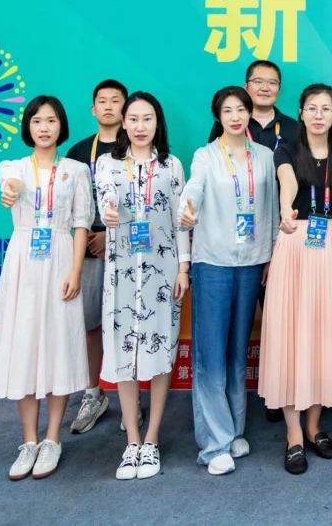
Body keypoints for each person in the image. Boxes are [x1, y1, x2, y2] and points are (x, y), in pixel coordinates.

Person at [0, 96, 91, 480]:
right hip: (23, 265)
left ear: (62, 126)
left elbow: (82, 222)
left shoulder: (76, 170)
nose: (44, 128)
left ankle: (52, 439)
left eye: (50, 121)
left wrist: (76, 270)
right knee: (25, 346)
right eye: (36, 121)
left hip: (61, 260)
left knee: (58, 345)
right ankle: (28, 440)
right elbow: (8, 187)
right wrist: (10, 191)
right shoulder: (14, 167)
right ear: (27, 127)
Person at [260, 84, 332, 475]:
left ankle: (314, 425)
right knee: (291, 335)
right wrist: (286, 207)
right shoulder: (287, 148)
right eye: (312, 108)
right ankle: (293, 435)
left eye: (326, 109)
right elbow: (286, 179)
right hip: (295, 242)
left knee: (323, 336)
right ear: (300, 112)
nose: (319, 115)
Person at [180, 86, 279, 476]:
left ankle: (234, 429)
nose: (235, 116)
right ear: (218, 116)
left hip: (253, 262)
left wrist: (271, 253)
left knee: (238, 352)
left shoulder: (265, 156)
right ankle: (214, 443)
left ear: (250, 113)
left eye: (241, 109)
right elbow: (194, 189)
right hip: (214, 263)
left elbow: (272, 209)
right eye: (227, 110)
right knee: (211, 355)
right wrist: (187, 208)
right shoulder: (205, 156)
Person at [95, 92, 189, 480]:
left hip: (162, 274)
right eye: (132, 119)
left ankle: (152, 440)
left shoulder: (171, 166)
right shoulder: (107, 164)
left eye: (147, 119)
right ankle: (131, 442)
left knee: (161, 352)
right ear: (123, 123)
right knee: (124, 354)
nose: (139, 126)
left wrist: (184, 267)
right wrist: (108, 210)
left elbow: (181, 221)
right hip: (120, 276)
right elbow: (105, 200)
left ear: (157, 123)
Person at [64, 78, 126, 435]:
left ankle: (130, 401)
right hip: (87, 247)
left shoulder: (134, 144)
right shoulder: (78, 152)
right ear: (93, 108)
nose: (108, 106)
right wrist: (87, 236)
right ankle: (92, 394)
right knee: (90, 324)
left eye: (115, 100)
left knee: (127, 322)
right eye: (102, 101)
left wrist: (111, 236)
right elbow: (68, 202)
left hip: (127, 247)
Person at [207, 60, 299, 152]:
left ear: (279, 89)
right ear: (246, 87)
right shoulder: (230, 122)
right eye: (258, 82)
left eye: (272, 83)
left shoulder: (293, 127)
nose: (265, 88)